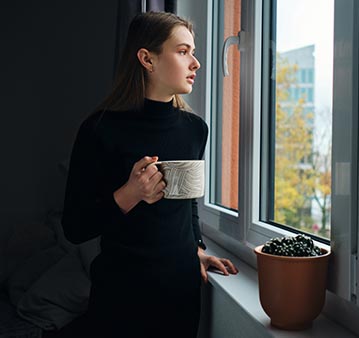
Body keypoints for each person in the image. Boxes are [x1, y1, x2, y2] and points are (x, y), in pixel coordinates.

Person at [61, 11, 238, 337]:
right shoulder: (99, 129)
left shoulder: (195, 129)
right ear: (147, 58)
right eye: (183, 51)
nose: (195, 63)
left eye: (193, 52)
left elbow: (189, 204)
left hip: (182, 294)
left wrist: (196, 249)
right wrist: (129, 194)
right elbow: (74, 227)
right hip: (121, 297)